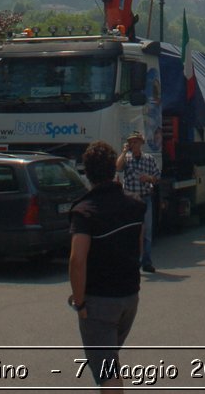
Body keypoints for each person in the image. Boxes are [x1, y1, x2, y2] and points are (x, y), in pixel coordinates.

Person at [69, 140, 146, 389]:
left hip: (99, 302)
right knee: (109, 363)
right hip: (129, 299)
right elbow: (139, 246)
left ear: (87, 172)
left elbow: (77, 260)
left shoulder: (85, 211)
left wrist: (79, 302)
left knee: (107, 373)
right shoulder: (135, 205)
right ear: (114, 169)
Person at [116, 130, 160, 273]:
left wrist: (148, 178)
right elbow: (118, 167)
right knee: (130, 231)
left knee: (146, 231)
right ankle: (131, 261)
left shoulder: (149, 159)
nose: (133, 144)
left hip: (145, 198)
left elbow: (157, 177)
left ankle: (146, 262)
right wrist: (123, 152)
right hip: (130, 199)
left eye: (136, 141)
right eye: (131, 142)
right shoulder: (126, 159)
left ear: (141, 143)